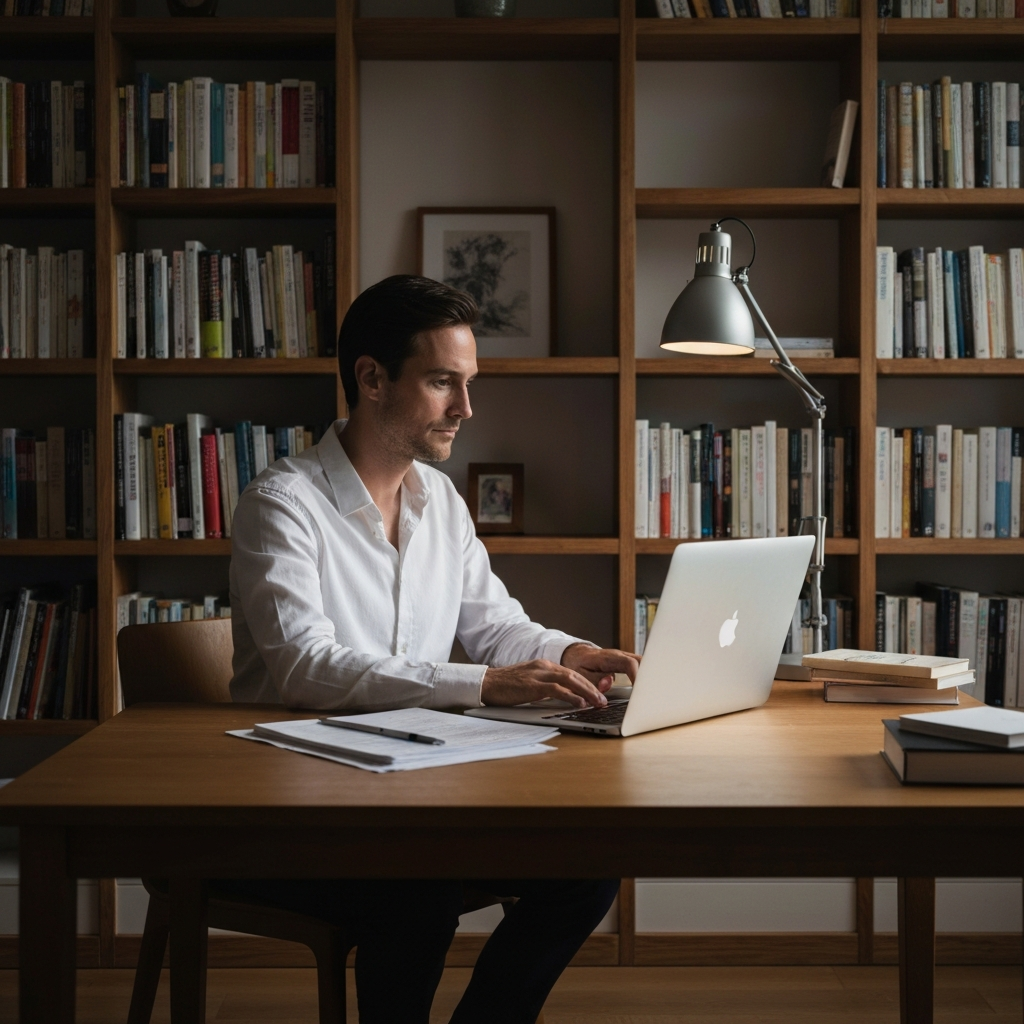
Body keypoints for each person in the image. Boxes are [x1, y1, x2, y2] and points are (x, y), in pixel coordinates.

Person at [226, 274, 639, 1024]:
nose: (466, 409)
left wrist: (574, 652)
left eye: (469, 383)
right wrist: (486, 685)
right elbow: (304, 666)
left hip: (409, 795)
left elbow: (495, 623)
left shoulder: (439, 502)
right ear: (372, 378)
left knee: (587, 868)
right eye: (444, 381)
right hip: (295, 808)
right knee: (413, 886)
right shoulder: (281, 505)